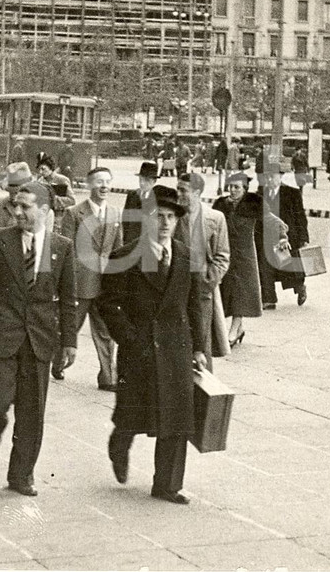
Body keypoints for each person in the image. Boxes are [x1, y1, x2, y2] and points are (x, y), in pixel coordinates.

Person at [0, 181, 77, 497]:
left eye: (25, 206)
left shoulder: (61, 246)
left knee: (31, 411)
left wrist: (69, 341)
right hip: (0, 335)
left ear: (44, 210)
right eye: (15, 205)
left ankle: (21, 476)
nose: (17, 211)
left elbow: (68, 298)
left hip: (40, 340)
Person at [97, 185, 207, 505]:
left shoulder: (186, 256)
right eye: (159, 216)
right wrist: (130, 339)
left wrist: (199, 347)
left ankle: (167, 484)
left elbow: (195, 305)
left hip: (175, 348)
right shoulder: (126, 255)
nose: (165, 223)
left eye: (171, 217)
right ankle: (120, 444)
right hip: (139, 348)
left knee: (176, 418)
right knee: (133, 412)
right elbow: (108, 305)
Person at [57, 166, 122, 387]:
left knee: (105, 332)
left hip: (105, 285)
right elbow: (66, 251)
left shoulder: (115, 214)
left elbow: (118, 251)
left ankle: (108, 377)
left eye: (107, 181)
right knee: (71, 326)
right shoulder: (74, 213)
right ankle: (58, 363)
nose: (104, 186)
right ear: (88, 185)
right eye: (98, 182)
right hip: (80, 282)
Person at [175, 173, 230, 370]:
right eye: (178, 189)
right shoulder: (173, 216)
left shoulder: (214, 218)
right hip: (174, 289)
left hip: (201, 292)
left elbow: (222, 256)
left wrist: (207, 283)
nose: (179, 194)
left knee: (202, 343)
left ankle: (204, 394)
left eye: (184, 190)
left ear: (197, 192)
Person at [213, 172, 262, 346]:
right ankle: (239, 328)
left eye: (236, 187)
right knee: (227, 291)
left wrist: (282, 237)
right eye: (230, 187)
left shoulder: (253, 205)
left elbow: (271, 222)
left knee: (241, 292)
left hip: (244, 255)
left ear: (245, 189)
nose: (232, 190)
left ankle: (233, 330)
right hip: (224, 253)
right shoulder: (220, 205)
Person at [258, 165, 310, 309]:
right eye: (267, 177)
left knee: (290, 267)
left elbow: (300, 216)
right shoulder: (261, 192)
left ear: (280, 176)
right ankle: (269, 299)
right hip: (266, 237)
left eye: (272, 176)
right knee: (265, 266)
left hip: (288, 237)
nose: (269, 179)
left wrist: (303, 238)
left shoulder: (292, 193)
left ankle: (300, 288)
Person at [36, 155, 76, 235]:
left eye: (43, 169)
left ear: (50, 167)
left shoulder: (62, 180)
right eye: (39, 169)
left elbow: (72, 200)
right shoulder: (39, 181)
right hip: (43, 217)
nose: (40, 172)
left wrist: (54, 198)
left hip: (58, 217)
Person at [122, 161, 159, 244]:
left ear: (154, 181)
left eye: (147, 180)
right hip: (129, 242)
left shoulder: (158, 199)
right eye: (140, 179)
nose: (142, 183)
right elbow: (125, 220)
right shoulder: (132, 195)